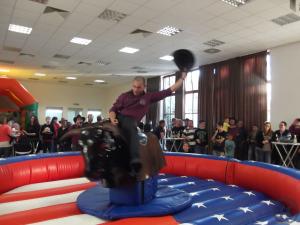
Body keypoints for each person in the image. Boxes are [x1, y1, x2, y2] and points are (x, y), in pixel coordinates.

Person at [109, 74, 187, 173]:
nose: (136, 89)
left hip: (131, 122)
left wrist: (182, 78)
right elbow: (113, 109)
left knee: (131, 126)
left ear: (144, 87)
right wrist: (112, 119)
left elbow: (168, 91)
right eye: (134, 86)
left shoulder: (148, 97)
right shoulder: (124, 96)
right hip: (119, 118)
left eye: (139, 87)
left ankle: (135, 159)